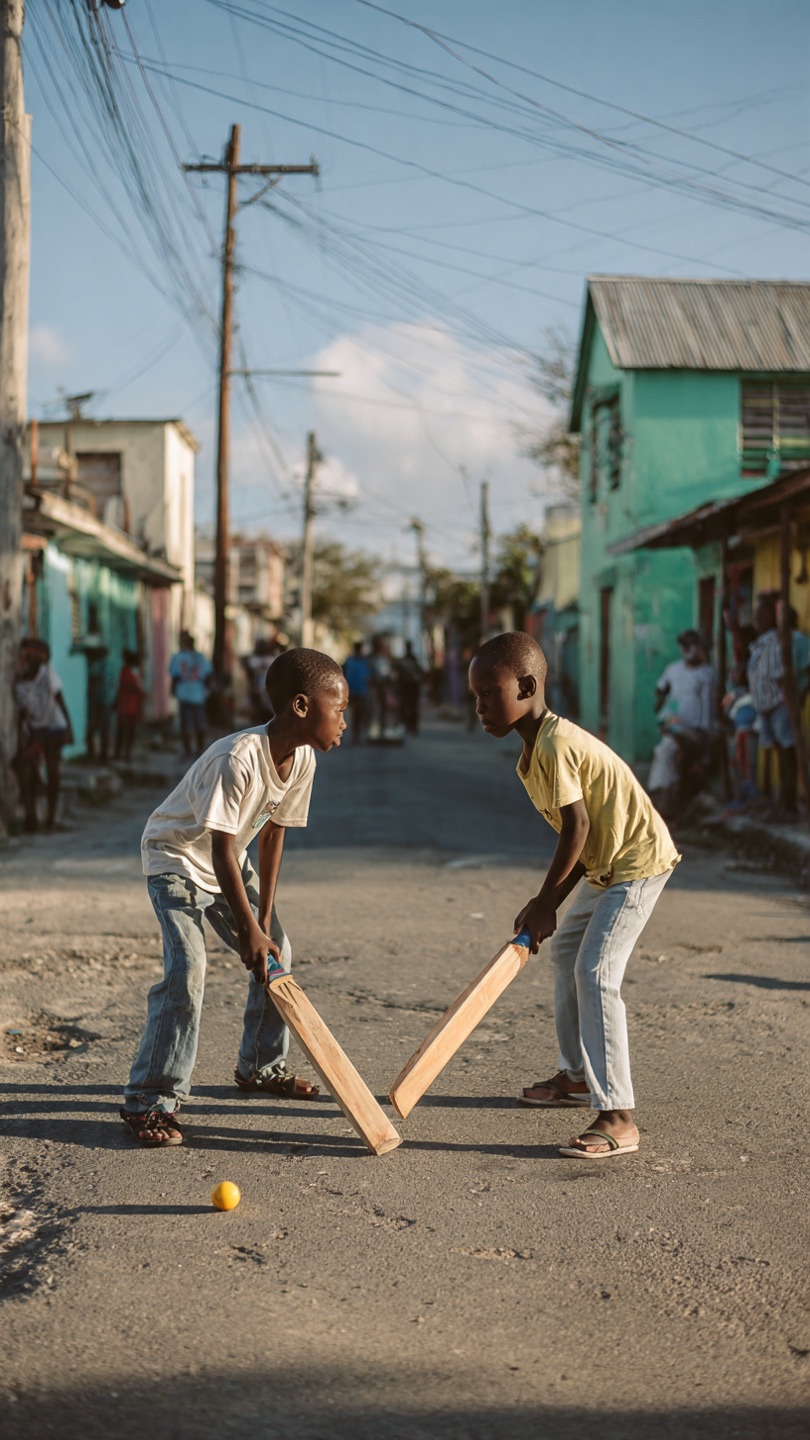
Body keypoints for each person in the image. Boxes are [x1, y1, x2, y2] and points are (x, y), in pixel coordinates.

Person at [120, 648, 349, 1147]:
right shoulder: (237, 757)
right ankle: (149, 1099)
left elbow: (272, 834)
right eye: (341, 708)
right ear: (303, 706)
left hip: (228, 862)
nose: (346, 721)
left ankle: (260, 1067)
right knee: (187, 971)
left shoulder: (303, 757)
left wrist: (261, 924)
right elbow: (220, 845)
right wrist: (246, 930)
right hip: (176, 859)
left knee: (277, 952)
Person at [468, 632, 680, 1159]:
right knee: (566, 952)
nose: (480, 707)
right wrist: (548, 905)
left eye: (489, 694)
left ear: (527, 685)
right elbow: (580, 839)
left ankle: (619, 1116)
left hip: (636, 863)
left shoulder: (557, 743)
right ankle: (579, 1076)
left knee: (596, 972)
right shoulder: (532, 753)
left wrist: (546, 903)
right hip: (604, 866)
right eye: (475, 697)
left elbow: (576, 827)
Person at [647, 629, 717, 818]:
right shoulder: (673, 670)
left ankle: (671, 801)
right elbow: (660, 690)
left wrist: (706, 733)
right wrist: (663, 712)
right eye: (684, 644)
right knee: (664, 752)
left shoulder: (707, 673)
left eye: (692, 644)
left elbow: (709, 706)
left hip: (697, 729)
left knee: (673, 751)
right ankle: (664, 797)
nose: (689, 649)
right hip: (674, 726)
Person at [12, 639, 73, 831]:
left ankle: (50, 818)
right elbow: (23, 715)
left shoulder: (47, 674)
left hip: (54, 729)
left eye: (30, 656)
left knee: (53, 772)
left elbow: (59, 699)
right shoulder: (19, 684)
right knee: (21, 764)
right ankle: (31, 816)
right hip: (37, 732)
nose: (26, 661)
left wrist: (69, 729)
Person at [748, 596, 799, 820]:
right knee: (777, 750)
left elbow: (782, 677)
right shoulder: (760, 644)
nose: (757, 618)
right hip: (765, 705)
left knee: (786, 751)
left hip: (778, 704)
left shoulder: (777, 642)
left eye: (763, 614)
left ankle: (789, 803)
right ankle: (780, 801)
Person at [169, 631, 212, 758]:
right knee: (199, 722)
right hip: (198, 694)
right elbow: (208, 674)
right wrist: (207, 688)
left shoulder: (178, 657)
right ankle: (199, 749)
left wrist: (172, 689)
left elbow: (175, 675)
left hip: (184, 693)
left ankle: (187, 750)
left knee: (185, 723)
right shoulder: (201, 657)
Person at [114, 650, 146, 762]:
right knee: (122, 730)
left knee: (130, 730)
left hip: (132, 705)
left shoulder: (134, 671)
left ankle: (127, 753)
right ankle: (119, 753)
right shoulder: (126, 671)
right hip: (126, 704)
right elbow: (132, 686)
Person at [343, 640, 371, 745]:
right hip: (353, 691)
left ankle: (357, 735)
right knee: (353, 714)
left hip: (360, 691)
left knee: (359, 714)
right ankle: (353, 734)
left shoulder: (363, 662)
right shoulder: (351, 661)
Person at [396, 641, 423, 736]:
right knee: (408, 707)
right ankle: (409, 725)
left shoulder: (410, 659)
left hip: (410, 688)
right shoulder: (410, 659)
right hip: (408, 687)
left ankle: (411, 725)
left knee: (410, 707)